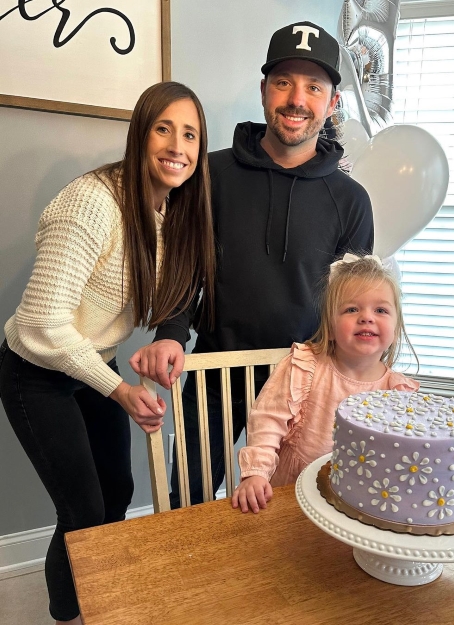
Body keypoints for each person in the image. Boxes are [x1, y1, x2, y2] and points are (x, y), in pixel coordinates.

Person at [131, 21, 374, 508]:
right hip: (217, 368)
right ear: (264, 91)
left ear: (332, 102)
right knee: (191, 499)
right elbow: (186, 263)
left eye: (313, 87)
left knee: (297, 499)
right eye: (283, 82)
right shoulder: (211, 174)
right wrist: (171, 333)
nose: (296, 99)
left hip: (304, 378)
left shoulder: (351, 200)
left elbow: (354, 304)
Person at [0, 82, 215, 625]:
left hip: (93, 361)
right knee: (83, 510)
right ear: (139, 135)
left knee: (117, 490)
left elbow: (176, 291)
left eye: (189, 134)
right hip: (35, 369)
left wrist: (153, 348)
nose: (177, 145)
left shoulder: (170, 215)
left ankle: (99, 601)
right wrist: (118, 388)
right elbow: (40, 322)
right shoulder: (92, 203)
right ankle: (69, 617)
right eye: (163, 128)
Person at [231, 254, 419, 513]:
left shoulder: (398, 393)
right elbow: (266, 422)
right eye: (352, 309)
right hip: (290, 496)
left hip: (359, 505)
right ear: (330, 324)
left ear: (396, 327)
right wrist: (256, 474)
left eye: (381, 310)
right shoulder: (303, 366)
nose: (366, 317)